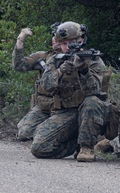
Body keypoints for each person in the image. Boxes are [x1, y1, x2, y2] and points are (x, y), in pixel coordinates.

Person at [12, 21, 108, 162]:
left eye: (71, 43)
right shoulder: (54, 59)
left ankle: (87, 147)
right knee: (38, 148)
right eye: (63, 43)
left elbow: (93, 90)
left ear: (80, 41)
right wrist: (60, 71)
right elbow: (47, 86)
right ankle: (75, 143)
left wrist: (83, 70)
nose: (67, 47)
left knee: (92, 102)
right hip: (64, 111)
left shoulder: (93, 60)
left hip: (85, 111)